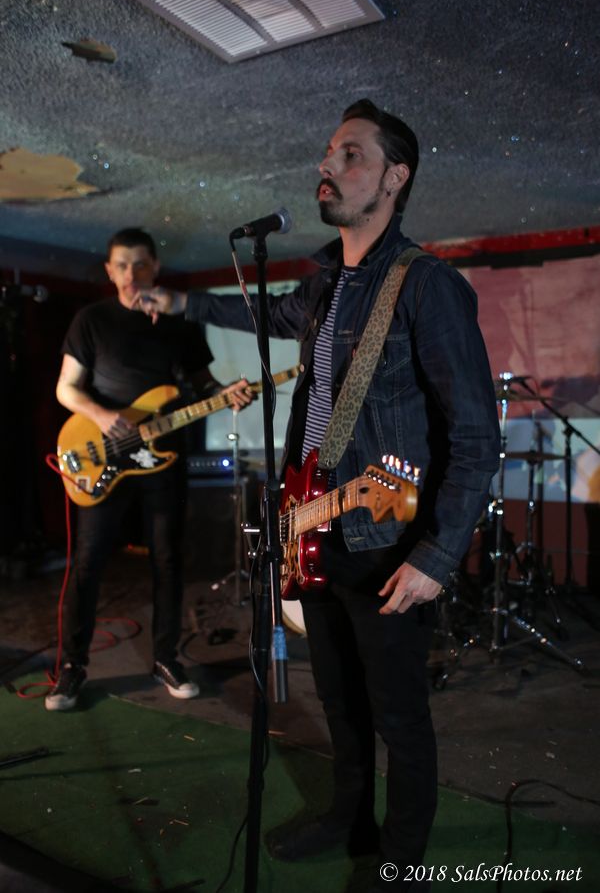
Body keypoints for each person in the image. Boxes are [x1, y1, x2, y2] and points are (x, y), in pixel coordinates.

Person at [139, 101, 500, 890]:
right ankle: (348, 815)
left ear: (395, 177)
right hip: (315, 526)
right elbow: (262, 311)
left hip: (388, 540)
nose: (326, 165)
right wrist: (182, 303)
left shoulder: (427, 286)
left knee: (398, 713)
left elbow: (477, 435)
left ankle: (401, 858)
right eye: (329, 152)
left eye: (351, 154)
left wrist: (438, 555)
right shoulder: (327, 283)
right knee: (337, 698)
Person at [45, 227, 252, 712]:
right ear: (109, 270)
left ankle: (165, 658)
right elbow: (66, 388)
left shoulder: (179, 321)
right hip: (104, 454)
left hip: (164, 457)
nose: (131, 273)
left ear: (155, 267)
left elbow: (203, 384)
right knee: (88, 563)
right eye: (121, 264)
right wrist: (102, 416)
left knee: (168, 560)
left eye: (140, 263)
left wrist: (226, 394)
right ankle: (72, 667)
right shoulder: (92, 320)